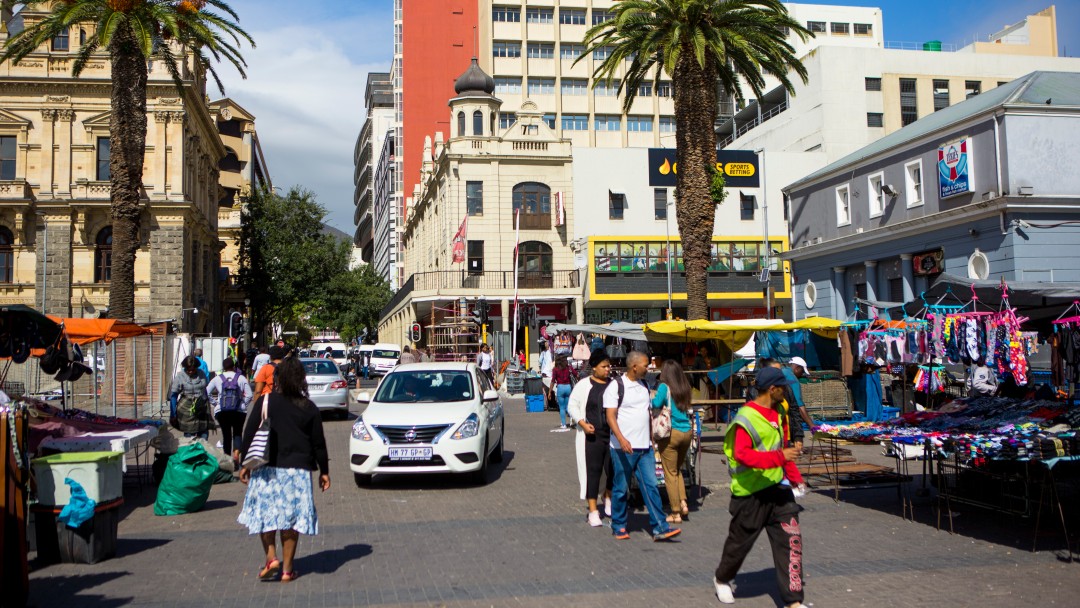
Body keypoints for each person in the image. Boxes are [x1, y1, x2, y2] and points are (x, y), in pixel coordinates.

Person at [713, 367, 807, 607]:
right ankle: (722, 578)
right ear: (772, 389)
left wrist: (795, 477)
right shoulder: (745, 418)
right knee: (738, 545)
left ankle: (793, 601)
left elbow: (781, 449)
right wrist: (780, 457)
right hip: (750, 494)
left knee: (791, 541)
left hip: (778, 489)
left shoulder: (776, 413)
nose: (787, 391)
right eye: (783, 387)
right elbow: (742, 455)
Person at [238, 356, 330, 583]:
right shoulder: (308, 407)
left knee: (265, 516)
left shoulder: (266, 401)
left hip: (267, 469)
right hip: (297, 472)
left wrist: (245, 465)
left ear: (278, 378)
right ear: (301, 379)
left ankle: (271, 558)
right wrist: (324, 471)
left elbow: (249, 433)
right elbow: (318, 443)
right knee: (291, 522)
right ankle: (288, 570)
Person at [604, 350, 682, 541]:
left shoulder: (645, 385)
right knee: (621, 488)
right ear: (634, 366)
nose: (649, 368)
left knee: (651, 486)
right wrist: (621, 439)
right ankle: (619, 525)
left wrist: (651, 439)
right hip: (622, 448)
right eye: (646, 365)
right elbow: (610, 416)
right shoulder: (616, 386)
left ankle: (660, 527)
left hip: (644, 447)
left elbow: (646, 413)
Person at [568, 350, 615, 527]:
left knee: (612, 470)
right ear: (594, 367)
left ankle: (608, 496)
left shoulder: (613, 384)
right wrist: (582, 423)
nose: (607, 369)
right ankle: (593, 510)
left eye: (608, 366)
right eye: (603, 366)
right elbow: (572, 405)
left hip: (611, 435)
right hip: (591, 436)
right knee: (593, 472)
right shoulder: (584, 385)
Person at [652, 360, 694, 524]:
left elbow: (655, 404)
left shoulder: (664, 387)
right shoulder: (685, 387)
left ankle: (675, 512)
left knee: (669, 473)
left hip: (671, 432)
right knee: (677, 470)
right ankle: (683, 502)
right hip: (686, 432)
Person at [207, 357, 253, 461]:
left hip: (222, 411)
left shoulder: (217, 378)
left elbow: (207, 392)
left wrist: (216, 403)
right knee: (237, 433)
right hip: (239, 411)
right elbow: (249, 395)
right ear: (234, 367)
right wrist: (242, 404)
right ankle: (236, 453)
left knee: (226, 435)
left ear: (223, 368)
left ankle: (227, 459)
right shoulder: (241, 378)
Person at [168, 355, 213, 439]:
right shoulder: (180, 376)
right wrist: (173, 414)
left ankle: (201, 451)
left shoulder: (201, 374)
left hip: (201, 409)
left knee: (203, 435)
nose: (191, 372)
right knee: (189, 438)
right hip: (186, 410)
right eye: (188, 370)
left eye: (193, 369)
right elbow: (173, 396)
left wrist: (206, 405)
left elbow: (205, 390)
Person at [549, 355, 575, 431]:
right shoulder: (569, 367)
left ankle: (564, 424)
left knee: (562, 407)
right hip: (568, 387)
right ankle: (573, 418)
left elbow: (553, 380)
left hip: (560, 387)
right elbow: (576, 374)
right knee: (568, 406)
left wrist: (550, 391)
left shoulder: (555, 369)